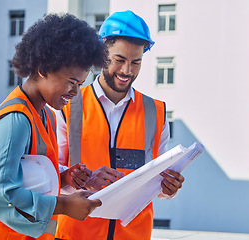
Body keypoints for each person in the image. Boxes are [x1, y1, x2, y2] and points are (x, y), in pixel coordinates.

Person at [54, 10, 185, 240]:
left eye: (136, 62)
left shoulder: (156, 113)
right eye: (119, 60)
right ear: (101, 54)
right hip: (76, 234)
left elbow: (156, 180)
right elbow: (50, 174)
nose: (127, 71)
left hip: (134, 235)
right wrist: (82, 180)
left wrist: (168, 189)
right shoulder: (67, 106)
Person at [0, 13, 106, 240]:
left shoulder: (46, 114)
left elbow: (27, 175)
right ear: (43, 68)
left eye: (81, 84)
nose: (75, 93)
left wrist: (64, 179)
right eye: (71, 82)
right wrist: (62, 206)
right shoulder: (16, 119)